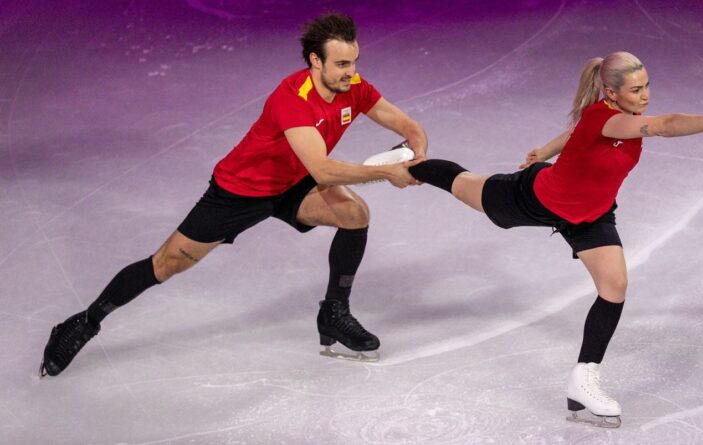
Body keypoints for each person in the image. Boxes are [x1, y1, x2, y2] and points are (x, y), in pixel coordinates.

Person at [39, 12, 427, 377]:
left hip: (293, 184)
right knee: (166, 264)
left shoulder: (353, 87)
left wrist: (417, 148)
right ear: (316, 61)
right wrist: (386, 172)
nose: (351, 72)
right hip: (241, 191)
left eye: (354, 61)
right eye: (341, 64)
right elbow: (323, 170)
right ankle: (85, 322)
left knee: (354, 215)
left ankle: (334, 313)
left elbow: (406, 125)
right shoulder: (292, 98)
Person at [406, 51, 703, 428]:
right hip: (538, 198)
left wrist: (545, 150)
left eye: (647, 86)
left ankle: (584, 378)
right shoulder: (605, 118)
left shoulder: (622, 116)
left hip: (591, 215)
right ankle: (410, 164)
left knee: (615, 286)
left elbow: (576, 132)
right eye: (636, 90)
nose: (645, 96)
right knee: (464, 186)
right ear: (611, 92)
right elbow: (664, 125)